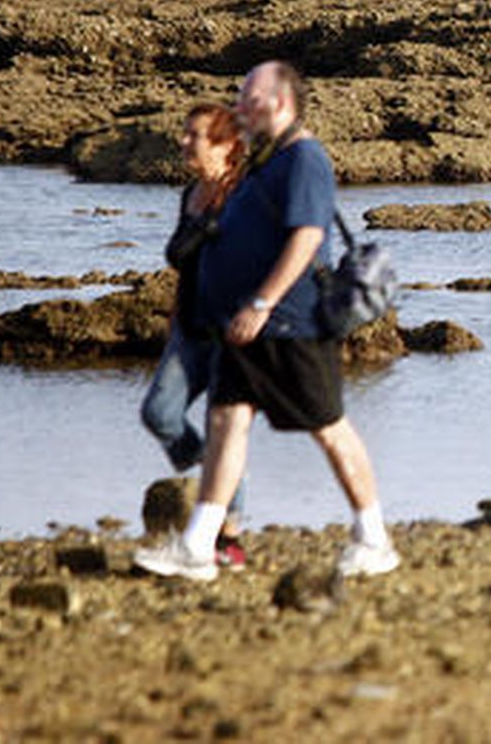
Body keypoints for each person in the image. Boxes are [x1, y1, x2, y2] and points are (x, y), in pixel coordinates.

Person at [136, 61, 400, 582]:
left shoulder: (305, 158)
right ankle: (200, 544)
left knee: (328, 428)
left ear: (279, 102)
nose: (238, 106)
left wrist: (261, 304)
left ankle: (374, 537)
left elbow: (307, 238)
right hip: (244, 325)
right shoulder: (264, 160)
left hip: (290, 323)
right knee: (225, 421)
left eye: (248, 98)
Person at [139, 104, 248, 568]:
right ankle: (217, 489)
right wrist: (172, 325)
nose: (183, 142)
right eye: (184, 134)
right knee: (160, 412)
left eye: (194, 136)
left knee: (222, 428)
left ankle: (228, 529)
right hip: (189, 328)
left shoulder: (244, 195)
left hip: (231, 331)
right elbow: (185, 267)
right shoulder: (190, 194)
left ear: (224, 144)